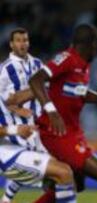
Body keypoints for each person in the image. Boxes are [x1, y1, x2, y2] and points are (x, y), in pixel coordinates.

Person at [28, 24, 97, 203]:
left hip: (73, 132)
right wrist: (52, 112)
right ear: (88, 44)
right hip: (58, 133)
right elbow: (36, 80)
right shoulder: (67, 59)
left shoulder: (83, 65)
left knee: (75, 183)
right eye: (95, 45)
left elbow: (80, 92)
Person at [0, 27, 47, 203]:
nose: (23, 43)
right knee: (39, 163)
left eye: (25, 40)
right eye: (19, 40)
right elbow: (3, 99)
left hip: (40, 120)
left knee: (39, 165)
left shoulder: (37, 63)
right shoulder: (5, 69)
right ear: (12, 44)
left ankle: (6, 199)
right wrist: (18, 109)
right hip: (21, 124)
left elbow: (45, 88)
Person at [0, 96, 78, 203]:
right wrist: (14, 129)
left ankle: (6, 199)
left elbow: (5, 106)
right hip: (4, 154)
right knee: (63, 173)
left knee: (64, 174)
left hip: (15, 147)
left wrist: (15, 110)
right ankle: (7, 198)